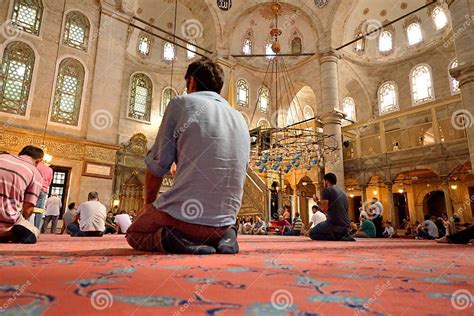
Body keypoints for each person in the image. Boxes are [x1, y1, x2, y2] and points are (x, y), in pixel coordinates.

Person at [126, 58, 250, 255]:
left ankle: (170, 239)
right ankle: (228, 235)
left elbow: (157, 166)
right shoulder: (240, 118)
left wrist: (149, 206)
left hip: (183, 220)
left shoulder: (181, 103)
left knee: (134, 233)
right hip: (225, 221)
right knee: (216, 226)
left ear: (191, 82)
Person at [0, 146, 43, 243]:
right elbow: (28, 210)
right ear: (38, 161)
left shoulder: (2, 157)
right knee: (33, 232)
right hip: (6, 223)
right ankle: (5, 234)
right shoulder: (35, 173)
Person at [309, 173, 353, 241]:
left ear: (326, 181)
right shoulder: (343, 193)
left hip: (333, 224)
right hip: (346, 226)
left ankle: (337, 236)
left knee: (312, 233)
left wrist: (316, 201)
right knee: (321, 226)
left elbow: (324, 209)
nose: (323, 183)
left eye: (323, 181)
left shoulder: (327, 190)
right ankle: (342, 234)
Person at [34, 160, 53, 230]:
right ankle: (36, 229)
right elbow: (49, 182)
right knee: (39, 211)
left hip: (34, 188)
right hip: (43, 191)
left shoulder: (35, 166)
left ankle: (24, 228)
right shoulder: (50, 169)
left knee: (28, 207)